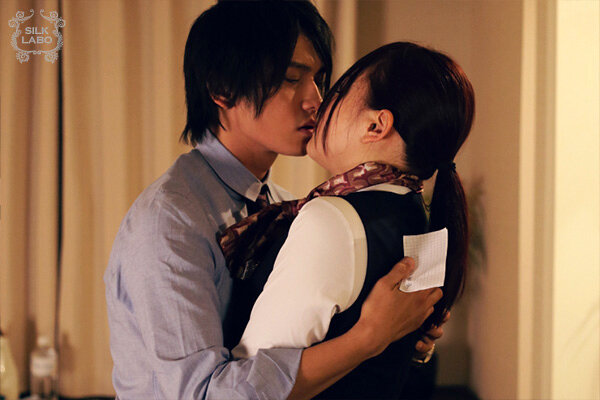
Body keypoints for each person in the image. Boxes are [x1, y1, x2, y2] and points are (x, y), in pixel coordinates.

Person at [104, 2, 444, 399]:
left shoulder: (284, 206)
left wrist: (401, 338)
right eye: (290, 78)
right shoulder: (171, 221)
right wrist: (368, 338)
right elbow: (201, 394)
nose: (315, 100)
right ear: (222, 89)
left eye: (319, 79)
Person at [221, 41, 474, 399]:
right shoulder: (420, 215)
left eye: (338, 92)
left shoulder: (331, 219)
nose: (319, 104)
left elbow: (252, 386)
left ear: (375, 125)